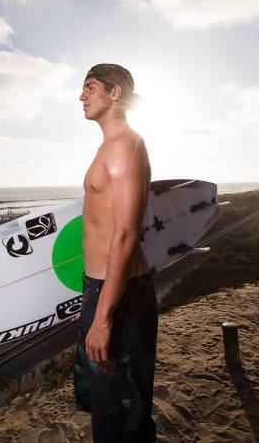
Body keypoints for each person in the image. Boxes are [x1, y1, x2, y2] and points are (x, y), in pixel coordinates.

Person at [74, 63, 157, 442]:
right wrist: (90, 298)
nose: (81, 96)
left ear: (114, 93)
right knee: (104, 403)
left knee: (123, 413)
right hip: (101, 288)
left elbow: (125, 235)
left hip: (119, 295)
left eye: (90, 87)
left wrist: (103, 316)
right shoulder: (109, 145)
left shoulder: (125, 145)